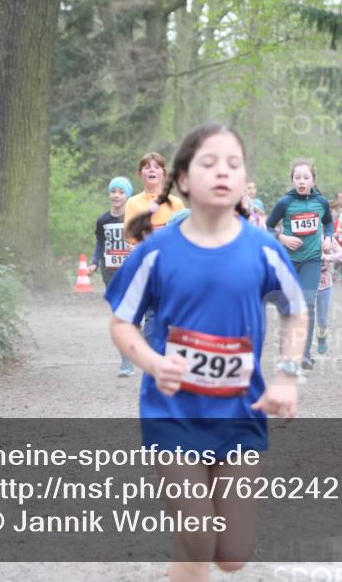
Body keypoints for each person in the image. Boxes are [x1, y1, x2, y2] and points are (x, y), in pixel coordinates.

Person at [106, 123, 307, 582]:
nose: (222, 172)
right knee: (197, 535)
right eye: (209, 162)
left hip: (240, 412)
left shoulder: (263, 249)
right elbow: (121, 324)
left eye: (233, 164)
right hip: (172, 412)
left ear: (244, 181)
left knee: (232, 555)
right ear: (182, 179)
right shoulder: (156, 252)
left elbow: (295, 312)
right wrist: (153, 362)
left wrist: (286, 374)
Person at [120, 153, 187, 376]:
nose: (152, 170)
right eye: (147, 167)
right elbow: (131, 236)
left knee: (156, 315)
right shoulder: (133, 203)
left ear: (163, 173)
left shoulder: (176, 203)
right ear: (140, 173)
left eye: (156, 167)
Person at [266, 159, 334, 370]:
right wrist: (283, 238)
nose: (302, 181)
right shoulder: (285, 203)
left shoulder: (321, 202)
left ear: (313, 180)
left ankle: (304, 354)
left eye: (306, 177)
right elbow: (268, 227)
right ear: (292, 180)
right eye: (297, 177)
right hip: (288, 261)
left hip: (312, 260)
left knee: (308, 303)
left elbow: (328, 222)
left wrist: (328, 237)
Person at [89, 176, 135, 374]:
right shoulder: (103, 220)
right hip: (110, 272)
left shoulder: (134, 219)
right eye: (113, 191)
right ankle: (126, 361)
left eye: (121, 192)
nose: (116, 195)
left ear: (128, 195)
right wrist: (94, 262)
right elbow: (100, 243)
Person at [315, 234, 342, 355]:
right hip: (305, 283)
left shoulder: (327, 238)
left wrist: (326, 257)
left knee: (322, 321)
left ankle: (321, 337)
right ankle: (305, 350)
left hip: (324, 283)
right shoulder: (300, 237)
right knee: (304, 317)